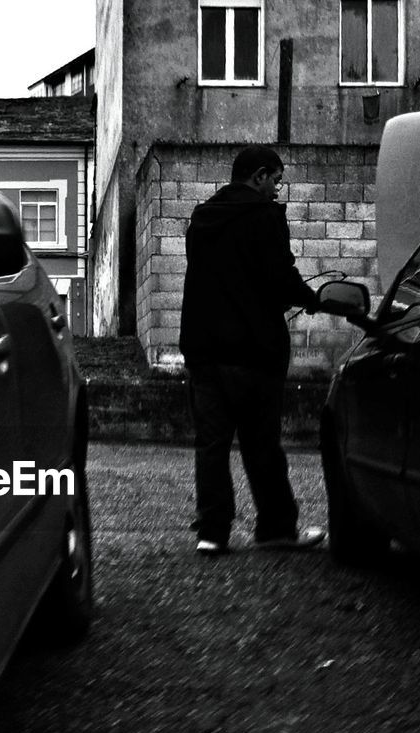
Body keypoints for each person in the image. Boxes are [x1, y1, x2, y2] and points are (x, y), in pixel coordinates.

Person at [179, 145, 324, 555]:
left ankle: (212, 533)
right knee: (262, 444)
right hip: (255, 352)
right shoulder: (264, 219)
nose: (278, 190)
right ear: (259, 175)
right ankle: (276, 528)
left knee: (212, 445)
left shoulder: (203, 220)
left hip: (207, 352)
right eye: (276, 180)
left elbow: (214, 283)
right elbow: (280, 278)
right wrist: (313, 299)